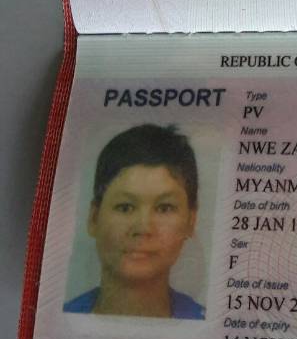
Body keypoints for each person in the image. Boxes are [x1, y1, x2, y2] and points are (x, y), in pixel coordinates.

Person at [64, 124, 205, 319]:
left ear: (191, 221)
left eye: (164, 208)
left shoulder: (205, 323)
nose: (143, 228)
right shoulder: (58, 320)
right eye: (125, 207)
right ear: (94, 218)